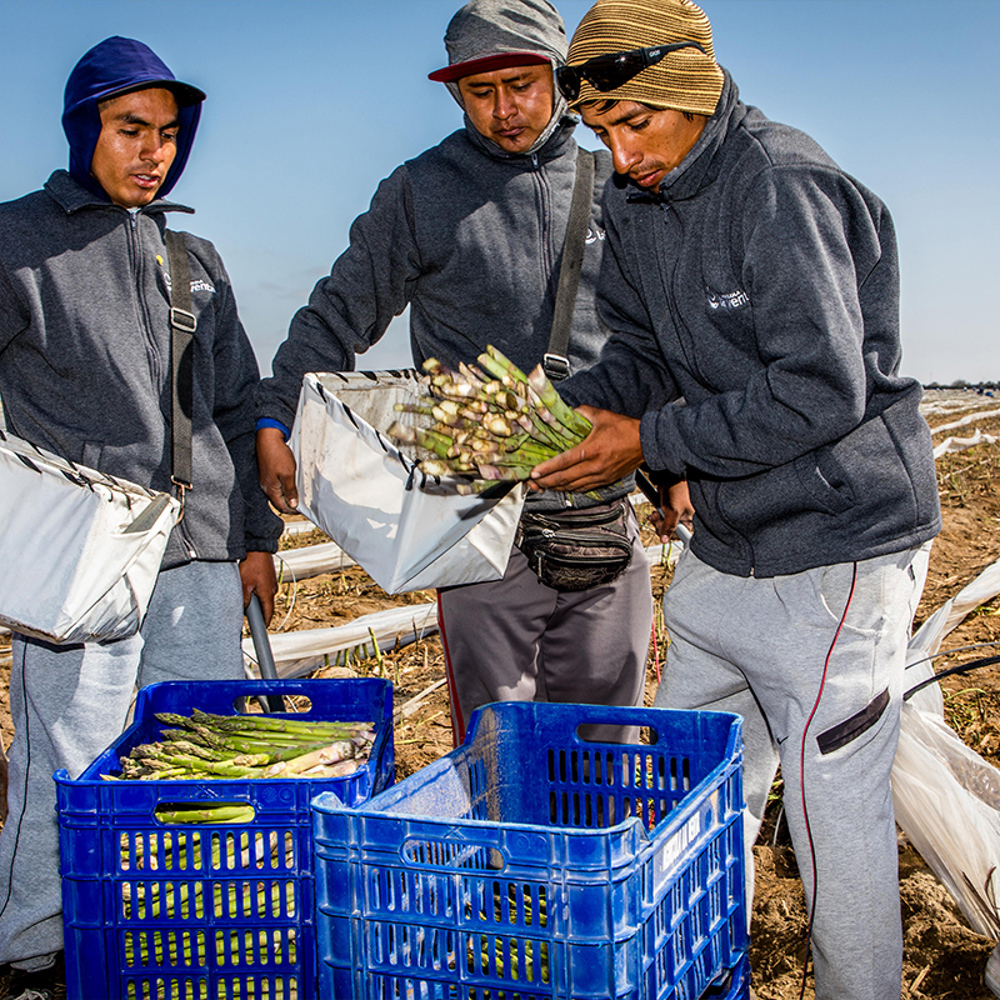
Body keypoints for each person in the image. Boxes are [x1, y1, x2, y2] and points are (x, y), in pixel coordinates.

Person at [530, 1, 941, 998]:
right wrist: (557, 413)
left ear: (688, 89)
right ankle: (697, 973)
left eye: (633, 123)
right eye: (599, 133)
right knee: (685, 781)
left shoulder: (779, 184)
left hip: (836, 545)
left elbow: (818, 387)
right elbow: (634, 352)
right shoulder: (631, 201)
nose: (620, 155)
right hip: (728, 540)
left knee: (828, 802)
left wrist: (651, 440)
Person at [255, 0, 653, 743]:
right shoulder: (421, 191)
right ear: (454, 95)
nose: (504, 110)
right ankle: (511, 861)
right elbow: (336, 314)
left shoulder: (618, 181)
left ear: (562, 79)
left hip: (605, 516)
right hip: (480, 524)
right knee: (502, 745)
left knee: (607, 743)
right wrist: (278, 417)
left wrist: (676, 458)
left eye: (523, 85)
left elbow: (663, 334)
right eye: (481, 92)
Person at [0, 37, 281, 999]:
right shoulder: (16, 242)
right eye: (131, 130)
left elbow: (238, 407)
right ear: (87, 131)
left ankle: (179, 934)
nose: (153, 151)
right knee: (68, 764)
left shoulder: (192, 256)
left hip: (199, 555)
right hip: (77, 562)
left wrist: (255, 540)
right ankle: (35, 948)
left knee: (197, 754)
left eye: (168, 133)